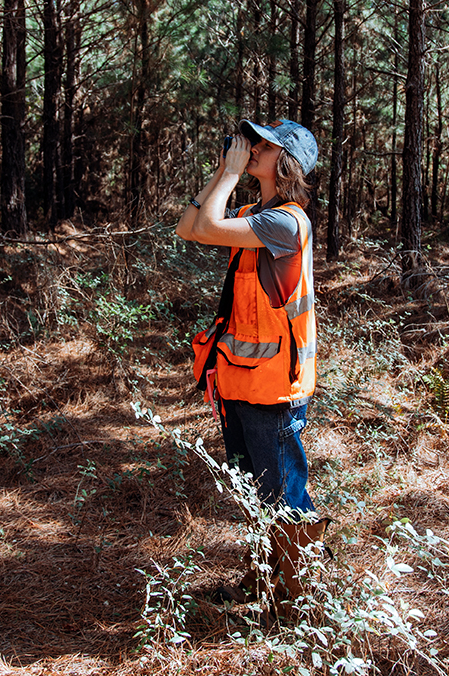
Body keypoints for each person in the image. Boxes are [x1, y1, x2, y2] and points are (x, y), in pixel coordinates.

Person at [175, 119, 325, 608]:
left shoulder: (286, 221)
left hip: (273, 387)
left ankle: (302, 601)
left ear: (286, 162)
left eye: (264, 144)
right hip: (242, 379)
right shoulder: (254, 213)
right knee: (255, 493)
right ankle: (264, 581)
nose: (253, 147)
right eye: (252, 141)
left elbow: (211, 225)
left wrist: (230, 174)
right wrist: (223, 173)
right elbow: (189, 228)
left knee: (283, 497)